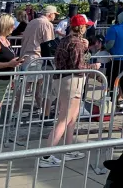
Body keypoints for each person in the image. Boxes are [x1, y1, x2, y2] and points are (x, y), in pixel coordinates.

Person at [38, 14, 101, 168]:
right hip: (72, 81)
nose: (87, 27)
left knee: (71, 118)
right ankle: (46, 155)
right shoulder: (77, 43)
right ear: (82, 27)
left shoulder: (65, 40)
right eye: (86, 25)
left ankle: (68, 149)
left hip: (62, 80)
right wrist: (94, 67)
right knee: (64, 119)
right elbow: (78, 66)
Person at [0, 15, 23, 155]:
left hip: (2, 82)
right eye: (12, 25)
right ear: (5, 26)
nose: (14, 27)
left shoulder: (6, 41)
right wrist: (9, 64)